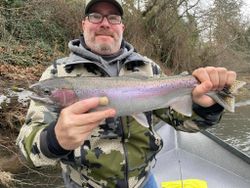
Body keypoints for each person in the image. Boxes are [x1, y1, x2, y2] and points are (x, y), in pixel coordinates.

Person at [16, 0, 237, 187]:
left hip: (144, 180)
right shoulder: (57, 73)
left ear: (122, 26)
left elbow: (184, 124)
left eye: (113, 18)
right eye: (95, 16)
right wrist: (54, 140)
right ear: (83, 23)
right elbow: (27, 144)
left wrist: (208, 106)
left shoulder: (149, 68)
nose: (104, 23)